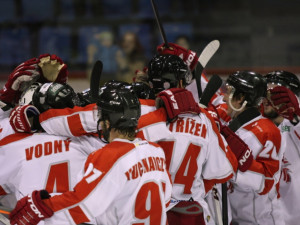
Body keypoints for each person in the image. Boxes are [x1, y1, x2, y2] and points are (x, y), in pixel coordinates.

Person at [9, 84, 172, 225]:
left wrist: (41, 208)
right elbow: (165, 198)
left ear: (107, 123)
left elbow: (82, 204)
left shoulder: (108, 155)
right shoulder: (156, 151)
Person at [221, 70, 285, 225]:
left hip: (261, 221)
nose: (223, 97)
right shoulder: (232, 125)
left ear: (241, 98)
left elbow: (265, 181)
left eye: (228, 93)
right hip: (236, 219)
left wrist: (227, 169)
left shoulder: (268, 132)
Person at [263, 70, 300, 225]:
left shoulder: (295, 126)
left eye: (273, 94)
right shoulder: (259, 128)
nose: (266, 99)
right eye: (264, 94)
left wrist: (296, 117)